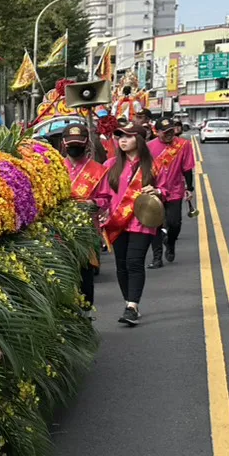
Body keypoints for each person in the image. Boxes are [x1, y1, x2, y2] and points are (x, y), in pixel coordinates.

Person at [101, 121, 160, 327]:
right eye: (120, 136)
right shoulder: (110, 166)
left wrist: (158, 192)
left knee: (134, 262)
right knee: (121, 265)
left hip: (142, 222)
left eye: (128, 136)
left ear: (140, 139)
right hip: (117, 222)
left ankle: (132, 306)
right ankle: (129, 302)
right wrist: (100, 211)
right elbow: (103, 195)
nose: (122, 140)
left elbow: (166, 190)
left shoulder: (153, 166)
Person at [60, 121, 111, 309]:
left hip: (86, 231)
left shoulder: (98, 170)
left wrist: (92, 203)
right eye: (71, 143)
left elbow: (106, 199)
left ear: (86, 143)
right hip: (59, 232)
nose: (74, 147)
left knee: (85, 276)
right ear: (63, 144)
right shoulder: (54, 168)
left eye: (78, 143)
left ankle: (87, 312)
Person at [146, 117, 195, 267]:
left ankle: (171, 241)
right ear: (157, 132)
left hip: (174, 190)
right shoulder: (149, 147)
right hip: (154, 190)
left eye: (171, 131)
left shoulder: (183, 145)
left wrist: (189, 188)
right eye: (165, 132)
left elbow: (187, 168)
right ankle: (157, 258)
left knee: (175, 223)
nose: (168, 134)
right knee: (155, 224)